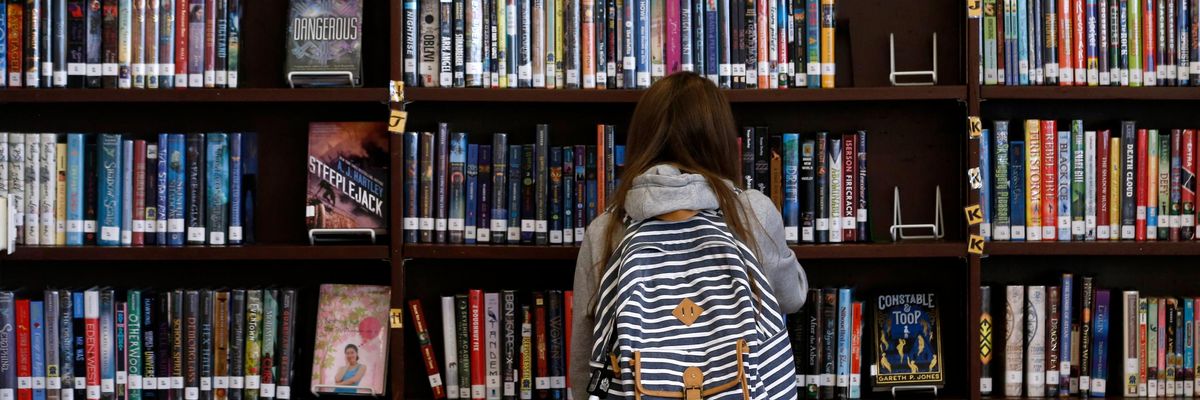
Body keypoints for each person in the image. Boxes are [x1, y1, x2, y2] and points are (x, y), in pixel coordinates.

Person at [569, 71, 808, 400]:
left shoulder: (605, 229)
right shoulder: (751, 211)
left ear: (642, 139)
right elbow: (791, 297)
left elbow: (586, 357)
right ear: (720, 138)